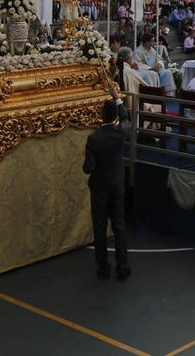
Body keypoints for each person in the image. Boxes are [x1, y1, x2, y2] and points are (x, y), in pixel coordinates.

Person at [82, 96, 131, 280]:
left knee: (100, 226)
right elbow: (126, 118)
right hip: (117, 183)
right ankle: (123, 264)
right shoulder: (121, 133)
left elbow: (88, 167)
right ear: (115, 117)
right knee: (119, 224)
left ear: (102, 116)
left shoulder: (94, 138)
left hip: (100, 186)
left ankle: (103, 266)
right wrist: (117, 98)